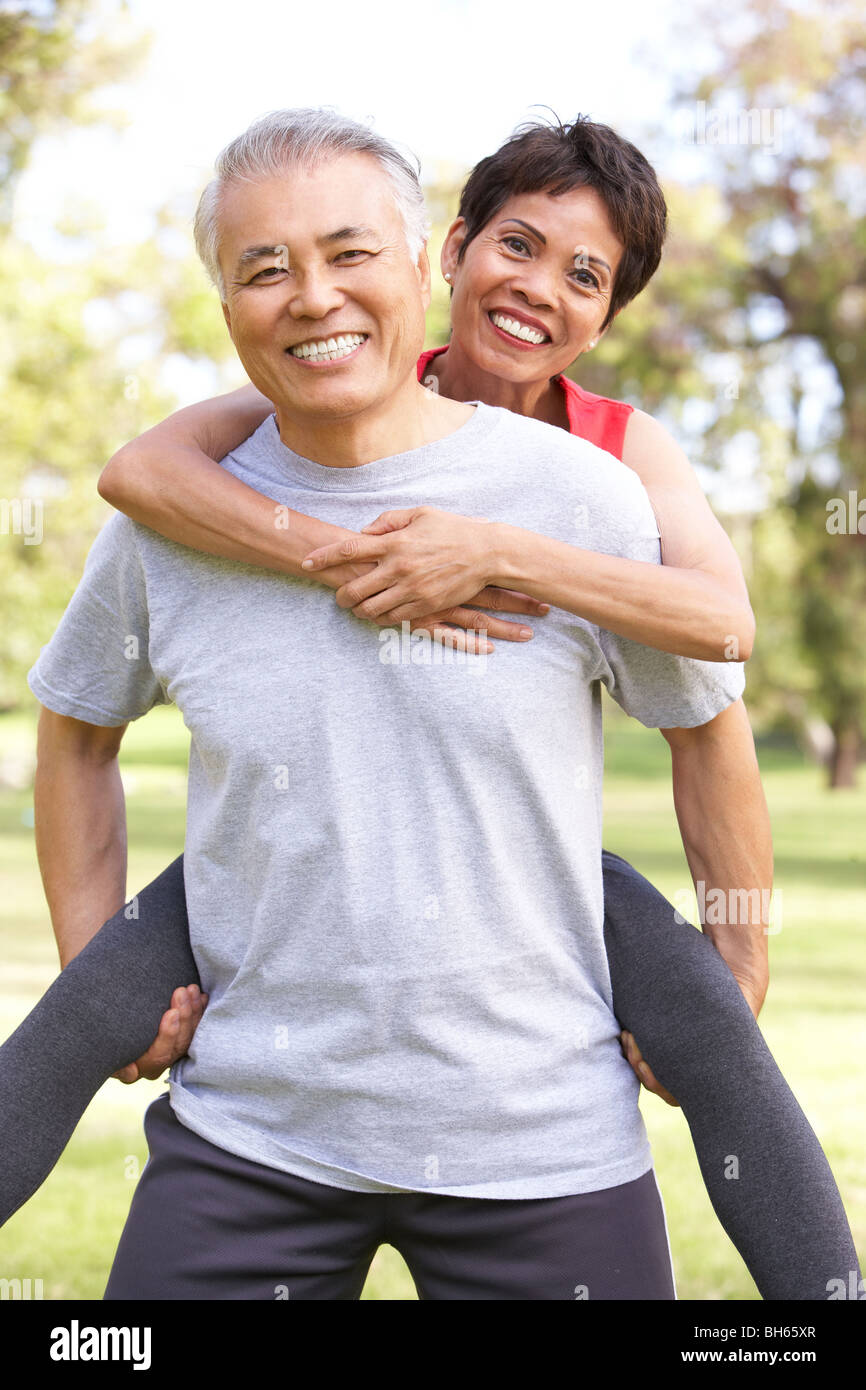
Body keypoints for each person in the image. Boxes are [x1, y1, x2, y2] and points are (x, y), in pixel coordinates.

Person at [1, 110, 859, 1300]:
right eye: (265, 268)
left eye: (584, 277)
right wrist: (328, 556)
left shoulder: (606, 480)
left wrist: (737, 964)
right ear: (453, 252)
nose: (311, 296)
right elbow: (123, 530)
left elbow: (715, 665)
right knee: (87, 1014)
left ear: (410, 260)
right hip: (251, 1128)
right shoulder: (202, 486)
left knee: (696, 1009)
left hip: (541, 1133)